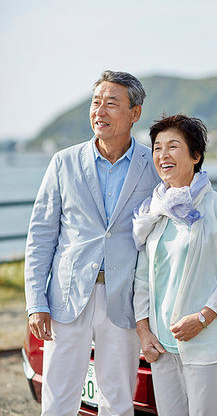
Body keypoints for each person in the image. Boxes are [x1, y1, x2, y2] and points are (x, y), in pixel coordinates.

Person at [24, 70, 160, 416]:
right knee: (58, 399)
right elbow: (41, 236)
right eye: (96, 102)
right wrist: (35, 301)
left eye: (111, 103)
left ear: (135, 112)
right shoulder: (63, 162)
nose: (100, 110)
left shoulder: (152, 164)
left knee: (117, 400)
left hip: (123, 297)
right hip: (67, 298)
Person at [133, 114, 217, 416]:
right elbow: (143, 279)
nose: (163, 155)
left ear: (196, 155)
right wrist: (144, 331)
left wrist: (202, 318)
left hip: (205, 344)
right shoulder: (154, 212)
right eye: (157, 148)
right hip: (162, 346)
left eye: (173, 146)